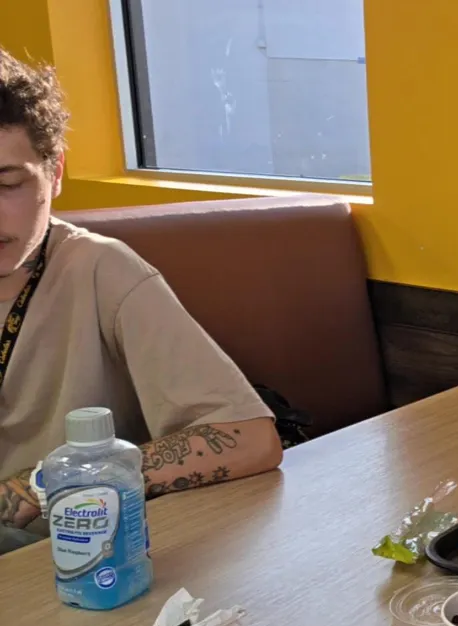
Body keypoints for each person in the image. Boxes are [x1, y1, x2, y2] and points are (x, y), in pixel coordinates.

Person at [0, 49, 283, 553]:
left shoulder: (100, 270)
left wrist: (45, 483)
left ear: (55, 171)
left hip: (72, 557)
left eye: (6, 184)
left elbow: (249, 437)